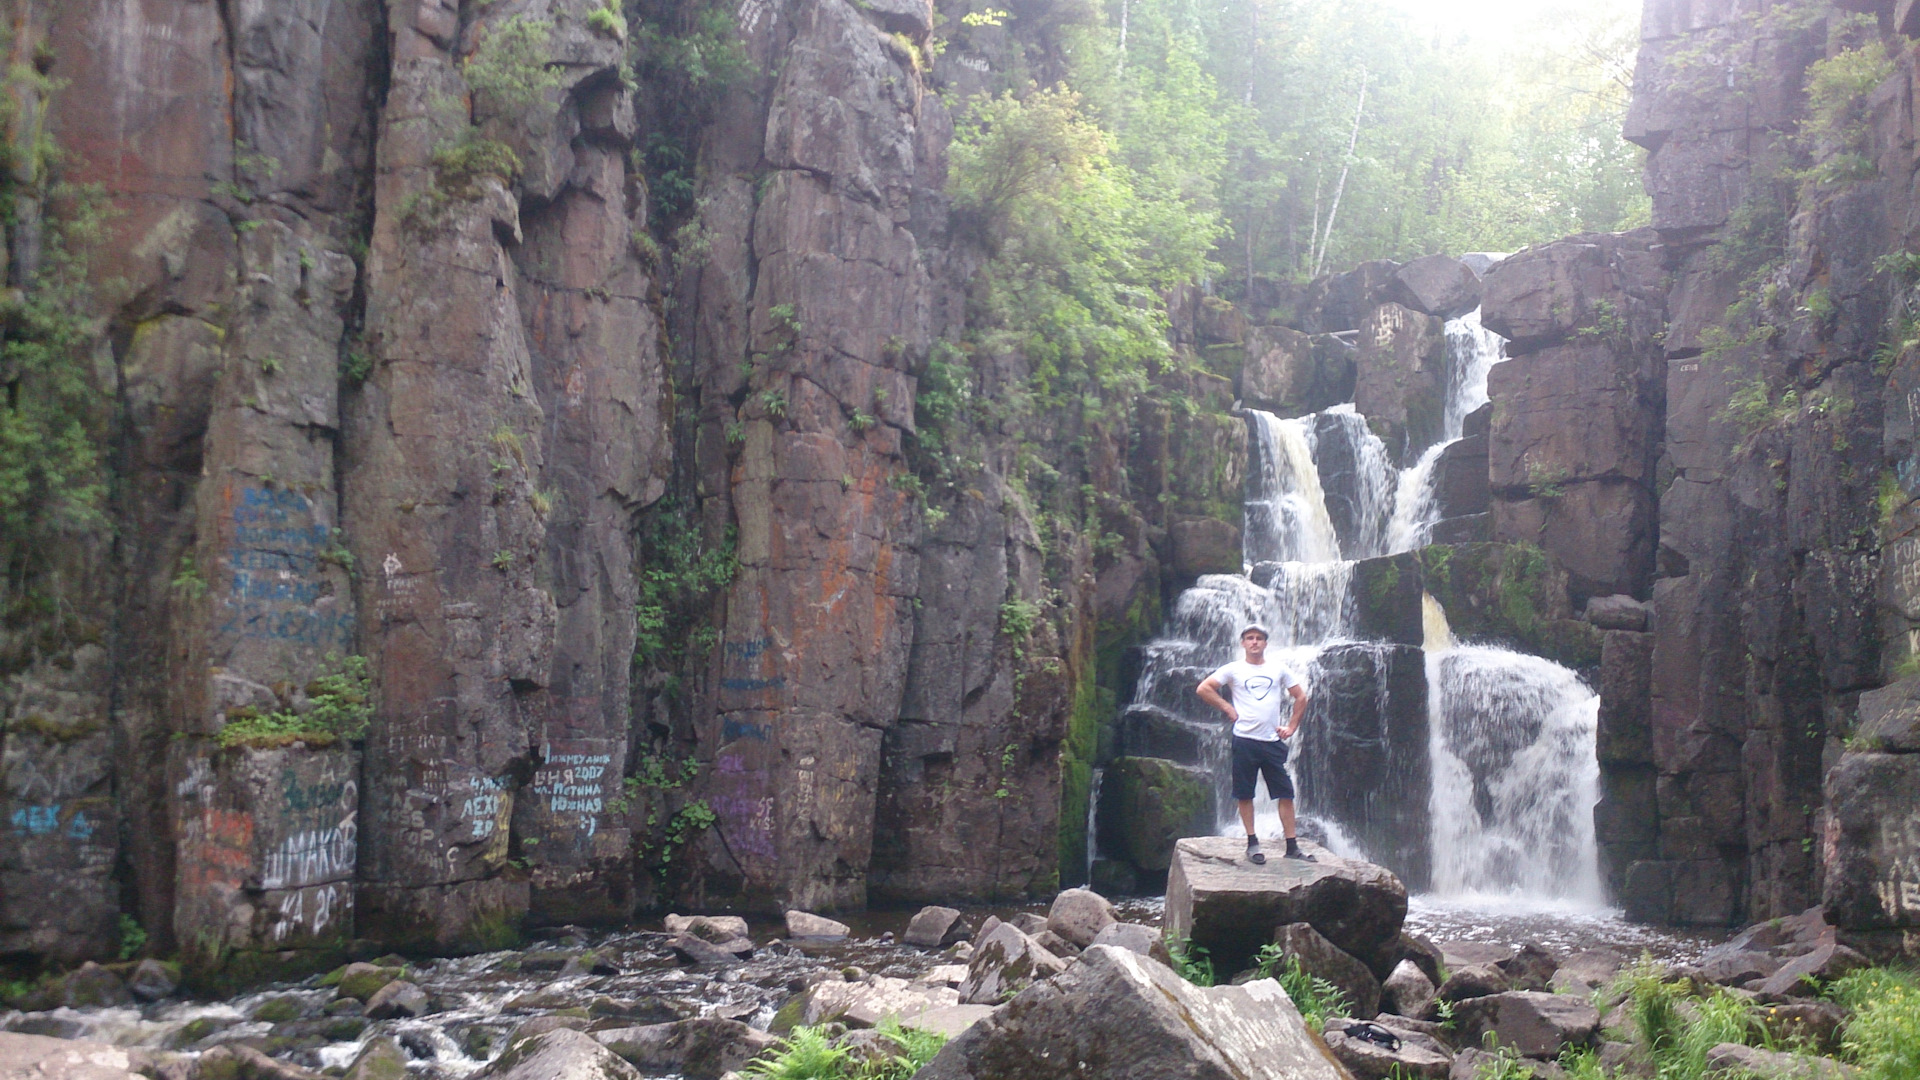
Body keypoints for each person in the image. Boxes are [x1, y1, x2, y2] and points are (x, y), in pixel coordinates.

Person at [1196, 624, 1312, 864]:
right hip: (1245, 740)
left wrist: (1291, 727)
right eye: (1250, 638)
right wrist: (1227, 707)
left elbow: (1301, 696)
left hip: (1271, 741)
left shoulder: (1278, 668)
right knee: (1245, 793)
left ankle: (1292, 846)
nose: (1255, 642)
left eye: (1259, 638)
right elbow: (1204, 688)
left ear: (1265, 643)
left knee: (1285, 793)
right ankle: (1252, 843)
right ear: (1243, 643)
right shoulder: (1233, 669)